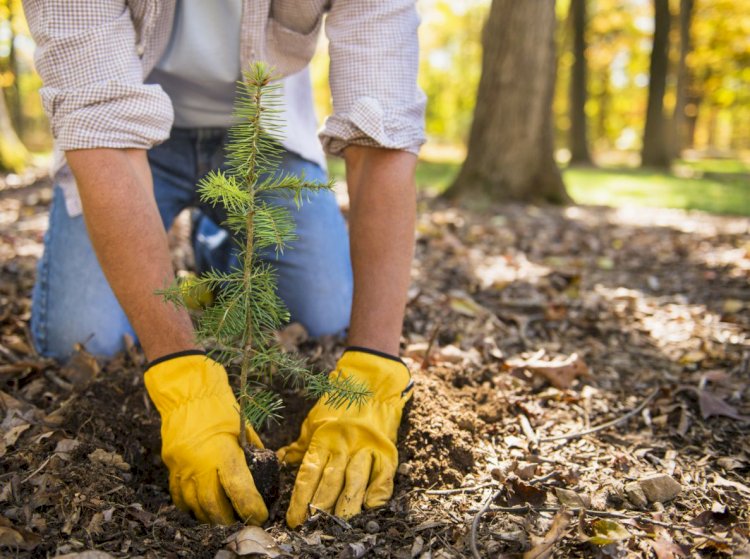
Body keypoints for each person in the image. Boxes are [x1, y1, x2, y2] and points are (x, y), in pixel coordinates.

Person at [22, 0, 425, 528]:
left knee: (326, 314)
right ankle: (203, 268)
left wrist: (375, 363)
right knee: (81, 339)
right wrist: (179, 372)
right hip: (126, 132)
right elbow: (101, 127)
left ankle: (220, 259)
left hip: (264, 129)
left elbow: (384, 131)